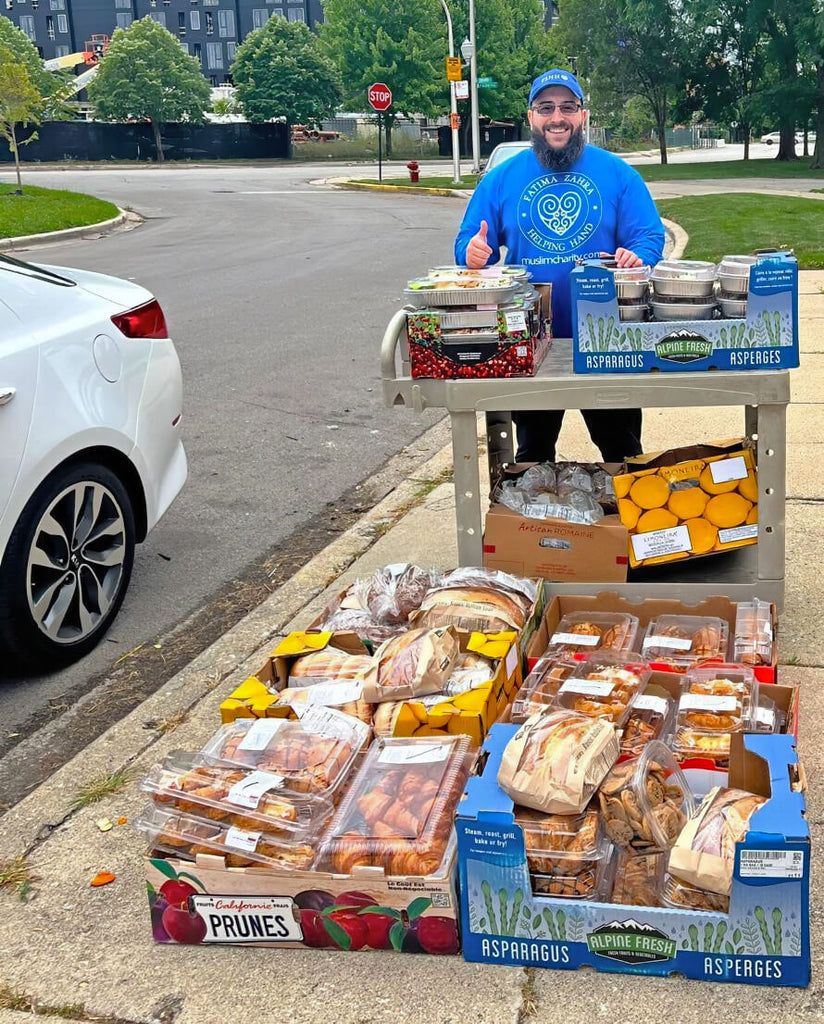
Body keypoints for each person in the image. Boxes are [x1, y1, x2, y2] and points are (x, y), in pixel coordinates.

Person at [455, 68, 665, 463]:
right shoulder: (501, 180)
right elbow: (467, 241)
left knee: (622, 455)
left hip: (607, 341)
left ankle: (621, 524)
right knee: (533, 455)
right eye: (546, 107)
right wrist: (473, 253)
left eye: (568, 107)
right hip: (531, 345)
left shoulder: (618, 174)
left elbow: (649, 238)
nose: (557, 117)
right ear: (531, 116)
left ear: (583, 115)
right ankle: (534, 525)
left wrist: (638, 257)